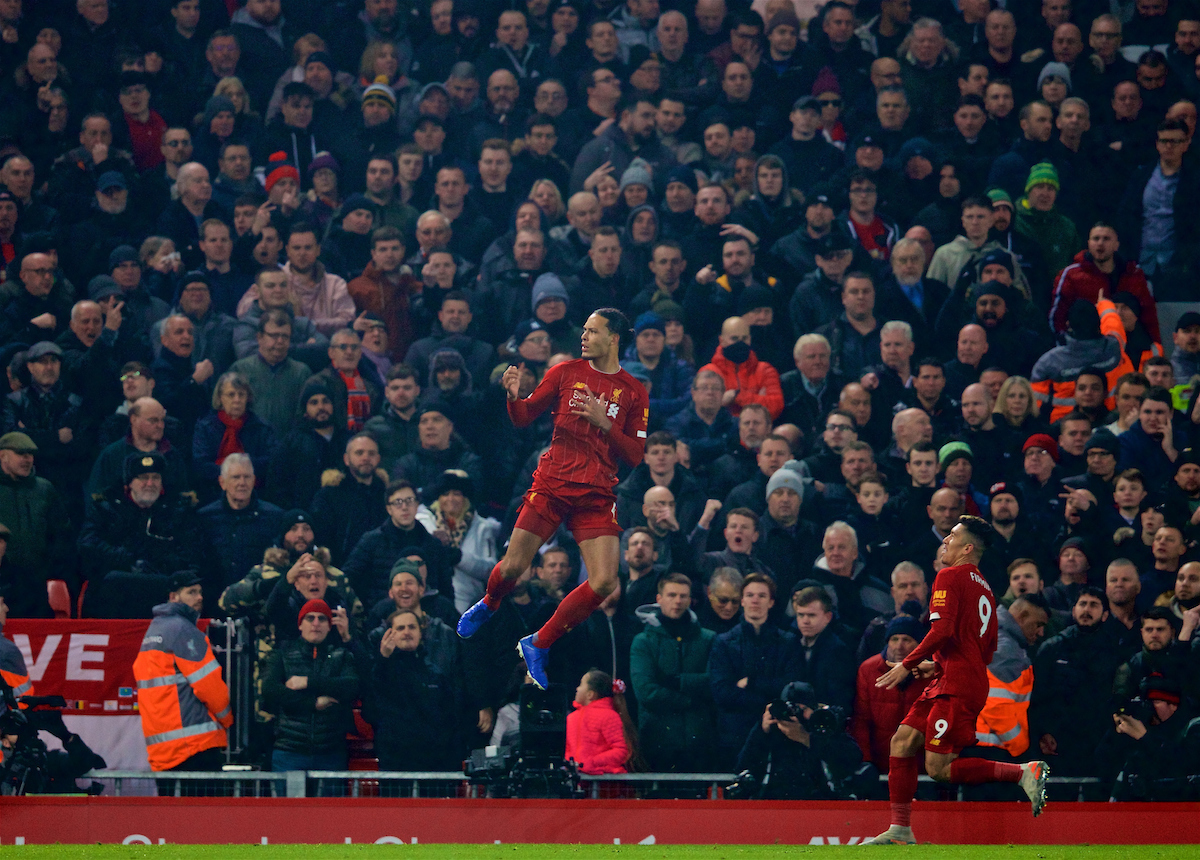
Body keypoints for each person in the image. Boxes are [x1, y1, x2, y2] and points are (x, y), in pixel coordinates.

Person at [456, 309, 647, 691]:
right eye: (585, 329)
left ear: (614, 339)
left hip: (596, 491)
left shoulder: (634, 390)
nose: (584, 336)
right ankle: (490, 603)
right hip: (553, 483)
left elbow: (636, 455)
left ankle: (538, 643)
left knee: (606, 582)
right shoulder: (564, 373)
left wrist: (603, 421)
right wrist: (513, 398)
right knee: (512, 569)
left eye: (593, 331)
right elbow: (524, 417)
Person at [865, 516, 1048, 845]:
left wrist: (909, 664)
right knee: (902, 742)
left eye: (951, 536)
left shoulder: (948, 575)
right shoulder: (988, 593)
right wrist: (937, 667)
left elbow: (942, 630)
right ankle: (900, 828)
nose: (945, 541)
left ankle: (1022, 772)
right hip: (955, 680)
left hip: (956, 688)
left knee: (939, 768)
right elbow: (984, 651)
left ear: (967, 547)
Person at [132, 571, 232, 788]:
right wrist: (227, 720)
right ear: (173, 597)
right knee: (207, 819)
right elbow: (210, 687)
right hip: (195, 748)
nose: (199, 598)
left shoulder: (154, 631)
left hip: (163, 752)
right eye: (191, 592)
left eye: (200, 592)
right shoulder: (184, 630)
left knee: (173, 820)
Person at [630, 573, 718, 772]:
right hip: (657, 742)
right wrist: (690, 700)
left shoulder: (708, 639)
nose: (678, 601)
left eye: (683, 596)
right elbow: (646, 691)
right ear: (659, 599)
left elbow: (714, 682)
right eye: (671, 595)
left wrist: (676, 682)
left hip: (699, 741)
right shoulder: (643, 642)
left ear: (690, 599)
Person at [262, 597, 360, 775]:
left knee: (329, 804)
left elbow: (351, 686)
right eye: (310, 618)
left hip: (331, 752)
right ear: (300, 624)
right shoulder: (282, 655)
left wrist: (308, 681)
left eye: (322, 618)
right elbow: (270, 690)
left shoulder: (341, 655)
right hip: (289, 750)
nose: (316, 623)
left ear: (330, 626)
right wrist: (313, 703)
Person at [566, 669, 643, 774]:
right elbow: (568, 748)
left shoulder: (609, 716)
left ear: (590, 694)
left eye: (581, 685)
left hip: (604, 781)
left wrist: (592, 762)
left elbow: (621, 750)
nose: (577, 689)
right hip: (578, 780)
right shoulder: (571, 718)